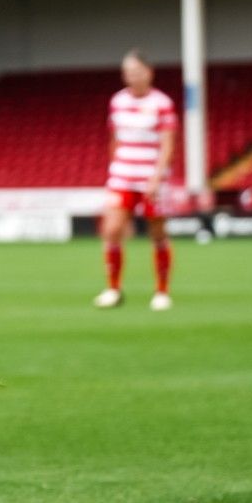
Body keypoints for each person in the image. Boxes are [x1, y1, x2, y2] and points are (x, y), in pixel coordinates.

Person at [95, 51, 176, 310]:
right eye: (128, 72)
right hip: (122, 176)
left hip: (151, 178)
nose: (132, 76)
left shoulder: (162, 103)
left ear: (148, 72)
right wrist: (114, 169)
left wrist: (156, 178)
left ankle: (161, 291)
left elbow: (168, 144)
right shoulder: (117, 101)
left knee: (157, 233)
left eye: (136, 71)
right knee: (111, 230)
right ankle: (113, 289)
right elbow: (114, 139)